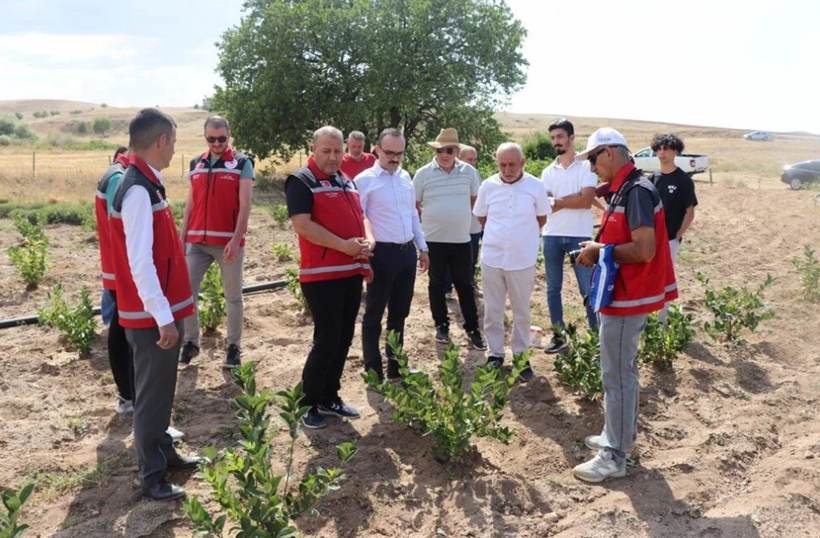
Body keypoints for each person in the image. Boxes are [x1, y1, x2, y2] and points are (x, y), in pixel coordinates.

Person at [573, 128, 677, 483]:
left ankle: (614, 455)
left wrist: (600, 251)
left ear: (609, 153)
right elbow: (623, 240)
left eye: (592, 159)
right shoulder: (626, 189)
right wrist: (599, 245)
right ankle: (618, 437)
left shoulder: (636, 191)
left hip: (628, 297)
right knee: (622, 373)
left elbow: (644, 249)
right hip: (622, 293)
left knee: (616, 375)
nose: (591, 168)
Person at [109, 108, 201, 501]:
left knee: (162, 389)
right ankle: (152, 475)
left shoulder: (148, 181)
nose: (174, 150)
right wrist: (163, 318)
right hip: (150, 317)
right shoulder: (136, 190)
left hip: (160, 311)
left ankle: (165, 452)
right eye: (174, 142)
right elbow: (140, 262)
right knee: (150, 395)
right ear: (161, 141)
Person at [286, 126, 375, 429]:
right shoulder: (301, 181)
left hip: (350, 270)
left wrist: (367, 241)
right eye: (326, 151)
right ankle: (306, 403)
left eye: (338, 151)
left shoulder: (345, 180)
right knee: (326, 340)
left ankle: (329, 397)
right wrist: (345, 246)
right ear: (313, 149)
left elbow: (361, 217)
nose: (333, 157)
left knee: (343, 337)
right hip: (321, 274)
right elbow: (303, 226)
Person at [178, 116, 254, 369]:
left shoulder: (241, 163)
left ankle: (233, 347)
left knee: (233, 296)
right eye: (211, 139)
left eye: (222, 138)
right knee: (185, 292)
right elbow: (190, 204)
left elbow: (245, 206)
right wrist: (181, 237)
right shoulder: (195, 163)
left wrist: (236, 239)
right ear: (205, 137)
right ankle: (191, 342)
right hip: (196, 242)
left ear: (229, 135)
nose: (217, 143)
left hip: (227, 244)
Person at [356, 128, 429, 381]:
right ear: (377, 150)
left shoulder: (405, 177)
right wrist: (364, 257)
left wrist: (422, 247)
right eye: (389, 153)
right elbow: (358, 220)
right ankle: (373, 369)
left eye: (400, 153)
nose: (395, 158)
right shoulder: (364, 181)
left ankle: (396, 366)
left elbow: (412, 215)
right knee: (374, 314)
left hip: (406, 253)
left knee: (400, 313)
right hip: (381, 255)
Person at [473, 143, 550, 381]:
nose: (507, 169)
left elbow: (542, 218)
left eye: (512, 164)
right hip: (493, 258)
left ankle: (520, 357)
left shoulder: (535, 186)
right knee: (493, 310)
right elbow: (482, 216)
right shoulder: (488, 185)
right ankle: (495, 354)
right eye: (502, 164)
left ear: (523, 163)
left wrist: (521, 238)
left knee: (522, 311)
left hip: (522, 259)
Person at [413, 128, 486, 349]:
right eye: (440, 149)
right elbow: (415, 207)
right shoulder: (422, 174)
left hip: (462, 240)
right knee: (436, 284)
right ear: (435, 150)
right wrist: (421, 240)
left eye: (450, 149)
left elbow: (477, 203)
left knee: (465, 285)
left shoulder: (469, 173)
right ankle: (441, 326)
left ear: (457, 151)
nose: (444, 154)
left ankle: (473, 329)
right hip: (433, 241)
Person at [540, 119, 598, 353]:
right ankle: (558, 335)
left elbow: (586, 201)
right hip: (551, 235)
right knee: (553, 288)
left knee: (588, 288)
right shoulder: (546, 171)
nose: (556, 141)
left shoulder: (586, 167)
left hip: (580, 237)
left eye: (560, 137)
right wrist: (574, 197)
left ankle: (596, 336)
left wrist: (560, 200)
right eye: (553, 138)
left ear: (572, 138)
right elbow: (545, 206)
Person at [649, 133, 697, 322]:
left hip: (669, 239)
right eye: (659, 149)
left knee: (664, 278)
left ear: (675, 151)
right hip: (650, 240)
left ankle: (661, 321)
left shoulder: (683, 180)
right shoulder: (652, 178)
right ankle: (647, 319)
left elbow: (690, 211)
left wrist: (677, 235)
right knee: (648, 276)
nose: (662, 152)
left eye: (666, 148)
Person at [444, 144, 484, 298]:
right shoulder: (450, 175)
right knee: (450, 257)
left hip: (472, 224)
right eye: (469, 159)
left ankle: (469, 285)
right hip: (454, 224)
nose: (472, 162)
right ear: (459, 157)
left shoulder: (474, 174)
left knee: (471, 257)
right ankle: (447, 288)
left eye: (474, 159)